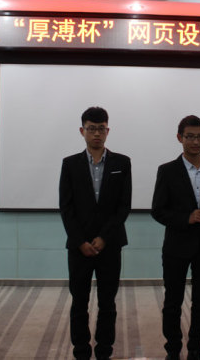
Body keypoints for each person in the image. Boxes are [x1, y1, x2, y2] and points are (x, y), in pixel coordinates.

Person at [59, 106, 132, 360]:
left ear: (108, 131)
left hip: (109, 245)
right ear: (82, 131)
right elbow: (66, 207)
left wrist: (104, 237)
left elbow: (124, 206)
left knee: (107, 303)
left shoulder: (122, 163)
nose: (97, 134)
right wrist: (80, 241)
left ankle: (104, 352)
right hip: (79, 247)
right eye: (91, 129)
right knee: (79, 302)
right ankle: (81, 351)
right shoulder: (70, 164)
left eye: (101, 129)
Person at [151, 115, 200, 360]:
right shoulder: (167, 170)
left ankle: (196, 349)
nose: (195, 141)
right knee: (173, 302)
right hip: (176, 246)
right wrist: (186, 218)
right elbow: (158, 211)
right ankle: (173, 350)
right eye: (190, 136)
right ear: (179, 137)